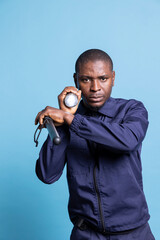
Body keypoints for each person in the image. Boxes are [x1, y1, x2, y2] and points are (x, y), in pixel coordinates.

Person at [35, 49, 155, 240]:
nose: (95, 87)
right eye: (86, 80)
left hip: (133, 234)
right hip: (86, 234)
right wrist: (63, 124)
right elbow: (47, 174)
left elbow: (127, 140)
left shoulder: (132, 110)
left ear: (113, 78)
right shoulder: (68, 119)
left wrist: (71, 120)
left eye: (103, 78)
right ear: (76, 80)